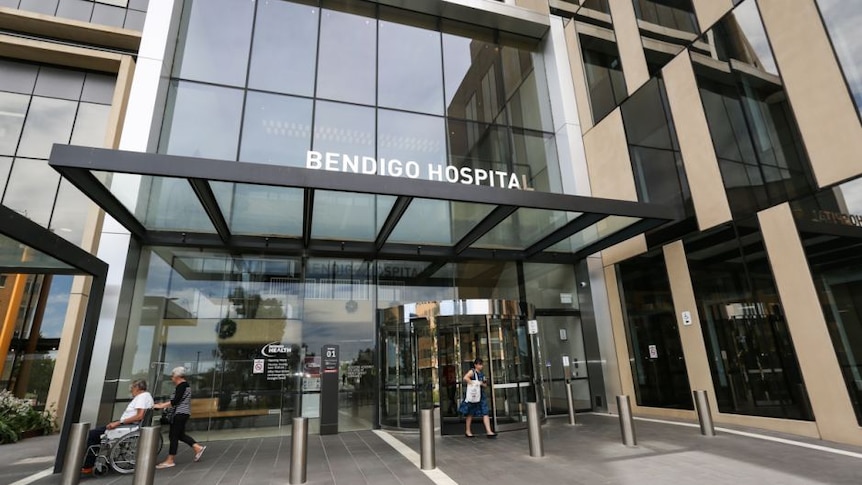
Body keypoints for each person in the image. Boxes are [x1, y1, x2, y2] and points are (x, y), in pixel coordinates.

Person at [81, 379, 153, 474]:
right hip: (128, 425)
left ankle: (88, 465)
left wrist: (119, 422)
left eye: (131, 388)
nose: (131, 391)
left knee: (92, 434)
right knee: (98, 432)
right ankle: (91, 462)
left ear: (137, 388)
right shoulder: (147, 396)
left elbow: (140, 416)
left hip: (128, 426)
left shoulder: (141, 397)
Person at [153, 366, 206, 468]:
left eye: (172, 376)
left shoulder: (182, 386)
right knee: (180, 435)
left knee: (173, 436)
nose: (171, 378)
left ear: (177, 376)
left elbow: (175, 401)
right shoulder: (183, 386)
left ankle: (170, 460)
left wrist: (160, 405)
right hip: (182, 413)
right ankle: (197, 447)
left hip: (180, 414)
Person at [459, 358, 497, 438]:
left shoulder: (482, 374)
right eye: (479, 364)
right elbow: (465, 378)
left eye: (481, 364)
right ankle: (468, 431)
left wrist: (482, 384)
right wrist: (475, 383)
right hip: (473, 395)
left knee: (485, 412)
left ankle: (489, 431)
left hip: (481, 395)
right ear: (475, 365)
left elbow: (485, 385)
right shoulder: (472, 372)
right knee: (470, 413)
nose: (481, 366)